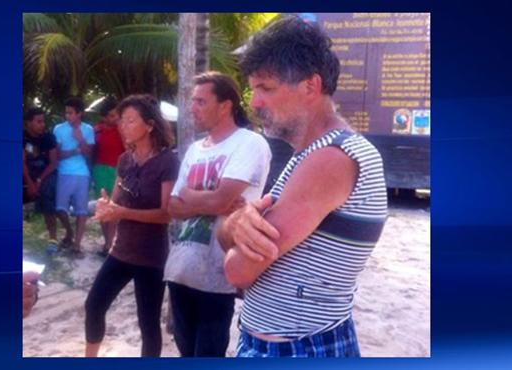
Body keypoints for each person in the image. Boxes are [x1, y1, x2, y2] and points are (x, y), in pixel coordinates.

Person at [217, 16, 388, 357]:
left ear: (310, 86)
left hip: (298, 349)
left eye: (266, 88)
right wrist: (237, 223)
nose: (254, 102)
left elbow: (236, 271)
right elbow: (229, 235)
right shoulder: (310, 155)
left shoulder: (331, 159)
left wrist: (234, 224)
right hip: (290, 342)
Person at [165, 71, 271, 357]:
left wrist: (191, 196)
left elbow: (222, 200)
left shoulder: (250, 143)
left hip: (219, 273)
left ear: (225, 106)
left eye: (201, 101)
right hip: (181, 268)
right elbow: (173, 206)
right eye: (193, 101)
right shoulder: (194, 150)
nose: (192, 108)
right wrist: (210, 201)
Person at [84, 95, 179, 357]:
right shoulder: (125, 159)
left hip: (151, 257)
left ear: (149, 125)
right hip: (121, 251)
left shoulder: (167, 161)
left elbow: (166, 214)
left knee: (148, 324)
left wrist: (122, 211)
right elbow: (115, 203)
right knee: (94, 305)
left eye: (129, 120)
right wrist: (106, 209)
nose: (122, 125)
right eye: (121, 120)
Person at [23, 107, 73, 249]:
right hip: (31, 176)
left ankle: (59, 236)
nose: (42, 124)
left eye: (43, 121)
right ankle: (56, 237)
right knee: (48, 207)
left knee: (53, 205)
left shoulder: (48, 138)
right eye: (38, 121)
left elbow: (53, 163)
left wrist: (39, 181)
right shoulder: (23, 138)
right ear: (29, 123)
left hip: (49, 174)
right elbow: (22, 163)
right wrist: (30, 182)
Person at [53, 97, 95, 257]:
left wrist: (80, 139)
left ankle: (77, 245)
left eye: (70, 113)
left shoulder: (88, 129)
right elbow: (58, 155)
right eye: (66, 112)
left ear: (79, 114)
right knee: (59, 209)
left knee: (82, 211)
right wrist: (76, 151)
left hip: (82, 174)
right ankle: (69, 232)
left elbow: (89, 154)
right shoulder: (58, 129)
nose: (67, 116)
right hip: (64, 173)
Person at [92, 96, 126, 256]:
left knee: (112, 208)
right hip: (99, 170)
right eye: (112, 115)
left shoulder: (123, 129)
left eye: (117, 115)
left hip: (117, 171)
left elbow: (128, 150)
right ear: (104, 116)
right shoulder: (96, 130)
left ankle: (111, 246)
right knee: (102, 207)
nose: (115, 118)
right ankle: (107, 243)